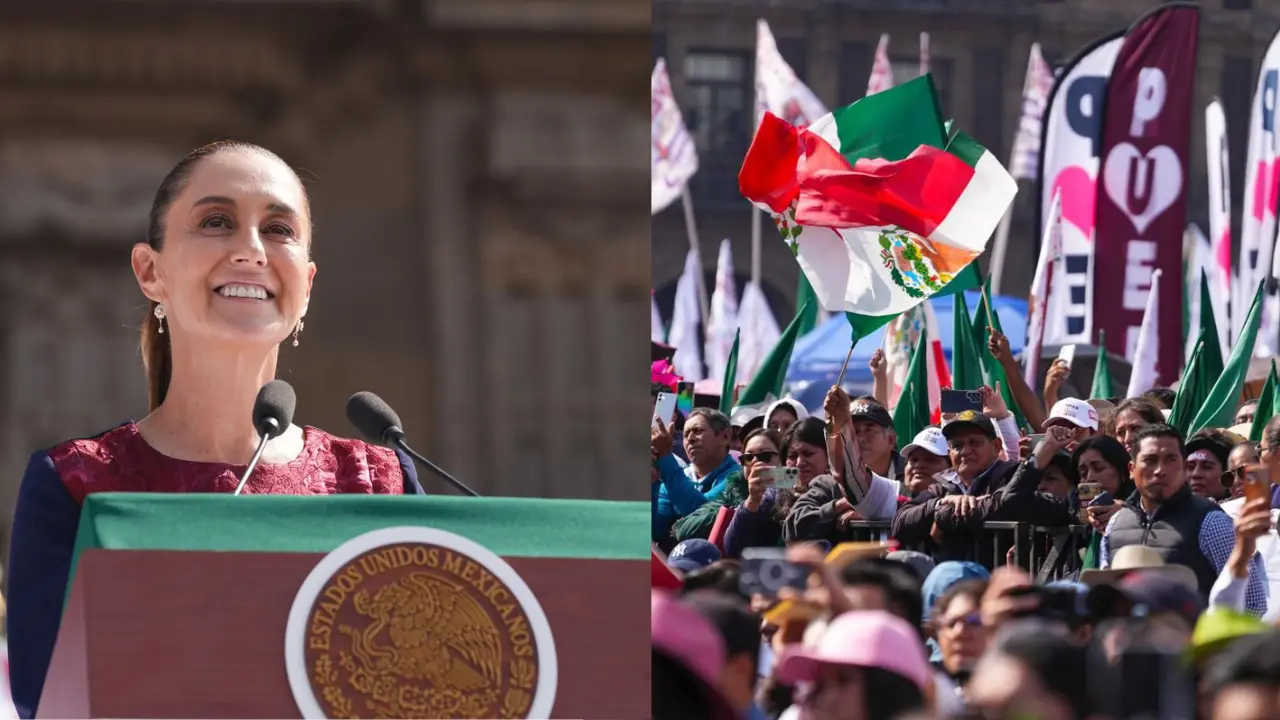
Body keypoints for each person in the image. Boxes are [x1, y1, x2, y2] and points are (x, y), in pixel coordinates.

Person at [5, 141, 425, 719]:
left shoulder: (379, 480)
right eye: (216, 221)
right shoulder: (76, 485)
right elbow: (47, 697)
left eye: (278, 228)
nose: (251, 250)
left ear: (306, 284)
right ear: (151, 272)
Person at [1100, 424, 1267, 615]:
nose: (1160, 470)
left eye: (1171, 459)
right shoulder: (1116, 524)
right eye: (1150, 460)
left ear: (1183, 467)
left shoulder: (1211, 522)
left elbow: (1252, 603)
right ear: (1131, 469)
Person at [652, 407, 740, 545]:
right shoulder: (672, 478)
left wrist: (665, 457)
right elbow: (657, 530)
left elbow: (699, 514)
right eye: (686, 435)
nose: (690, 439)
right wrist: (652, 483)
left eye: (698, 431)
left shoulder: (739, 478)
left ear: (725, 436)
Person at [723, 428, 787, 556]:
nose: (755, 462)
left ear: (784, 458)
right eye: (747, 457)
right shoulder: (730, 490)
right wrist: (751, 502)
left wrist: (780, 481)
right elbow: (733, 549)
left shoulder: (798, 486)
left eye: (765, 456)